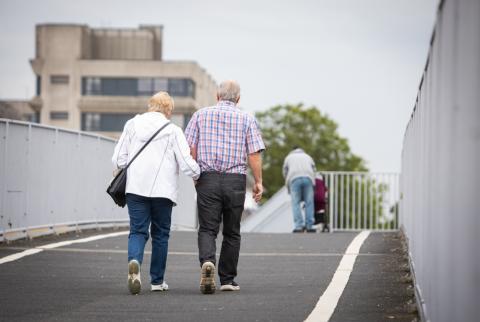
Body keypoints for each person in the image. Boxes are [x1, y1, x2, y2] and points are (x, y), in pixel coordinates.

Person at [112, 92, 201, 295]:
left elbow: (118, 159)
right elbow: (187, 164)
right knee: (160, 234)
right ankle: (157, 281)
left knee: (137, 231)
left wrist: (134, 171)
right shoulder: (173, 130)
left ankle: (134, 262)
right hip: (163, 191)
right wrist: (199, 173)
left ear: (150, 105)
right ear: (169, 110)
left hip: (135, 188)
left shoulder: (132, 125)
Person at [184, 80, 265, 294]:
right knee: (232, 232)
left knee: (208, 229)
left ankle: (207, 263)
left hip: (207, 178)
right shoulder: (247, 118)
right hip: (235, 180)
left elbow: (190, 147)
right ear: (238, 99)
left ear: (217, 96)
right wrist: (258, 182)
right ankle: (227, 279)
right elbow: (254, 153)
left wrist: (195, 175)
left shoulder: (200, 115)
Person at [283, 147, 316, 233]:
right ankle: (309, 226)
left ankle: (299, 226)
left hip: (294, 179)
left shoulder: (289, 157)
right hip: (308, 178)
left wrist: (288, 183)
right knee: (309, 203)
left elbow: (285, 171)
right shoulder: (308, 156)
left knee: (295, 203)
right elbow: (313, 169)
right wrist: (314, 182)